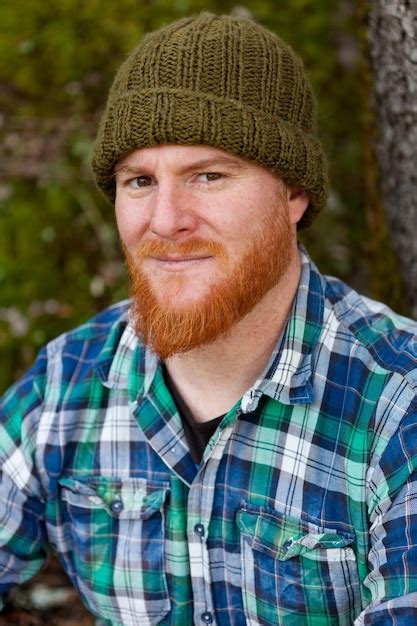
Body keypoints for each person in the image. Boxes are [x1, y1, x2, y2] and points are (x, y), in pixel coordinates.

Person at [1, 11, 416, 626]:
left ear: (293, 194)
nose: (166, 221)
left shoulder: (396, 406)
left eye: (210, 175)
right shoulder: (68, 381)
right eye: (139, 180)